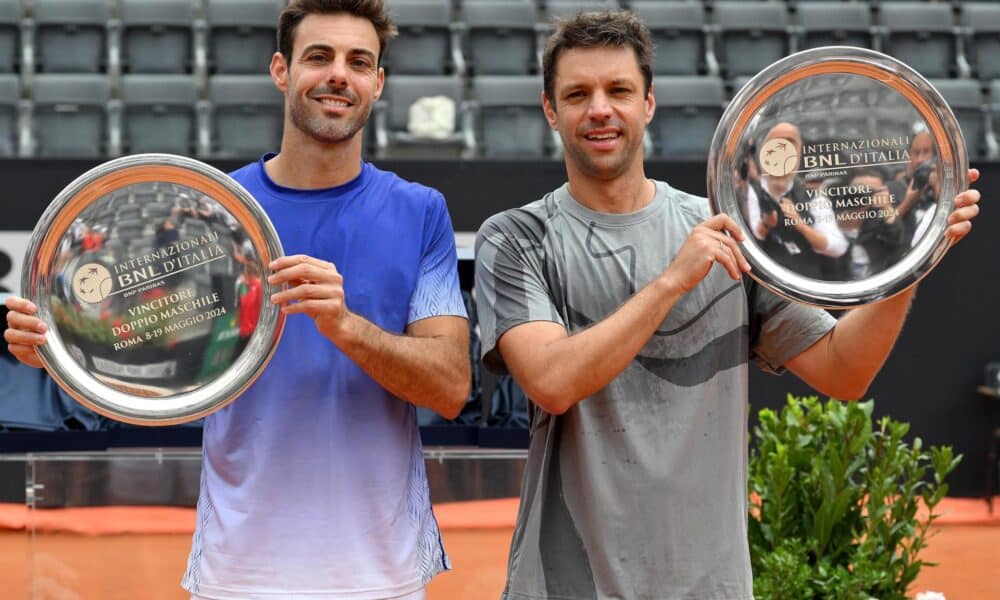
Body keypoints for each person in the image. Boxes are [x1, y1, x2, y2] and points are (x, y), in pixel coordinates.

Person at [473, 11, 981, 599]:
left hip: (709, 587)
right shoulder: (515, 238)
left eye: (619, 91)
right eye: (577, 94)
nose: (600, 110)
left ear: (650, 104)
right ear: (549, 109)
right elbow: (550, 382)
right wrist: (672, 282)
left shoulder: (731, 233)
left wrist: (906, 262)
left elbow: (844, 371)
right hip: (564, 584)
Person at [5, 1, 470, 598]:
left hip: (383, 574)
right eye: (318, 57)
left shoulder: (421, 211)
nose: (338, 76)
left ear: (378, 83)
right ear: (280, 70)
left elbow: (451, 386)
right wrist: (62, 349)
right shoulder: (208, 211)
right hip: (237, 571)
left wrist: (346, 326)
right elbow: (154, 370)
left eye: (359, 62)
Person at [746, 122, 848, 280]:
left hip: (804, 285)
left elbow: (838, 246)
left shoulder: (813, 197)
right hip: (758, 284)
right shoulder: (747, 191)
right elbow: (748, 236)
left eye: (790, 145)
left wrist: (801, 226)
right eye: (776, 145)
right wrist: (766, 225)